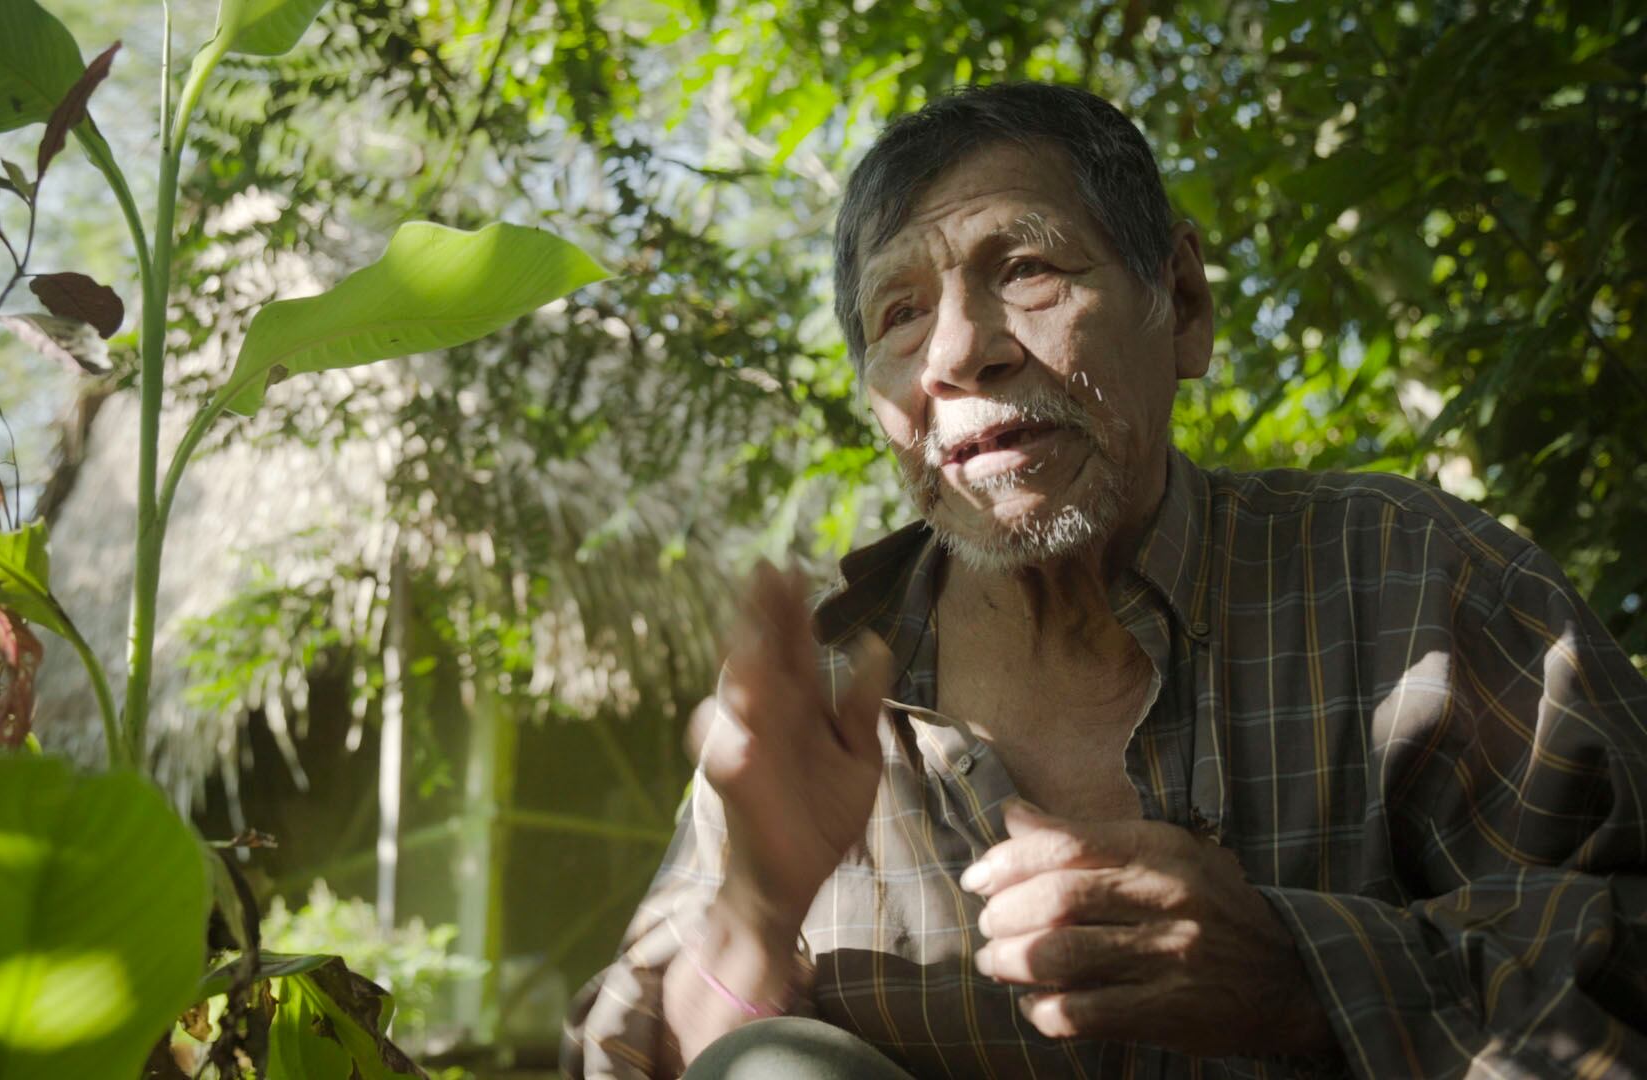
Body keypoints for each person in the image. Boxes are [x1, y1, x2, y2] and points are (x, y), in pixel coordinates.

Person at [561, 82, 1647, 1079]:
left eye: (1026, 268)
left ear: (1180, 301)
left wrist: (1301, 978)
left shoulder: (1416, 583)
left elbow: (1622, 970)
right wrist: (756, 905)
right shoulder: (821, 692)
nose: (957, 350)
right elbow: (639, 1059)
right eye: (897, 313)